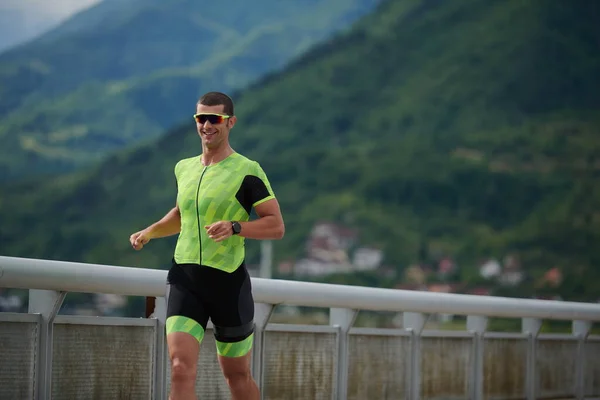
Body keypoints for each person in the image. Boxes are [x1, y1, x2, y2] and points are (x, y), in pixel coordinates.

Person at [129, 91, 285, 400]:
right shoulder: (184, 168)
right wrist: (150, 231)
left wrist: (236, 227)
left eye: (215, 119)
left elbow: (275, 226)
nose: (207, 125)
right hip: (185, 279)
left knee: (237, 376)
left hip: (228, 283)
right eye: (201, 118)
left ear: (230, 122)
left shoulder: (247, 170)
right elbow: (181, 214)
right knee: (179, 368)